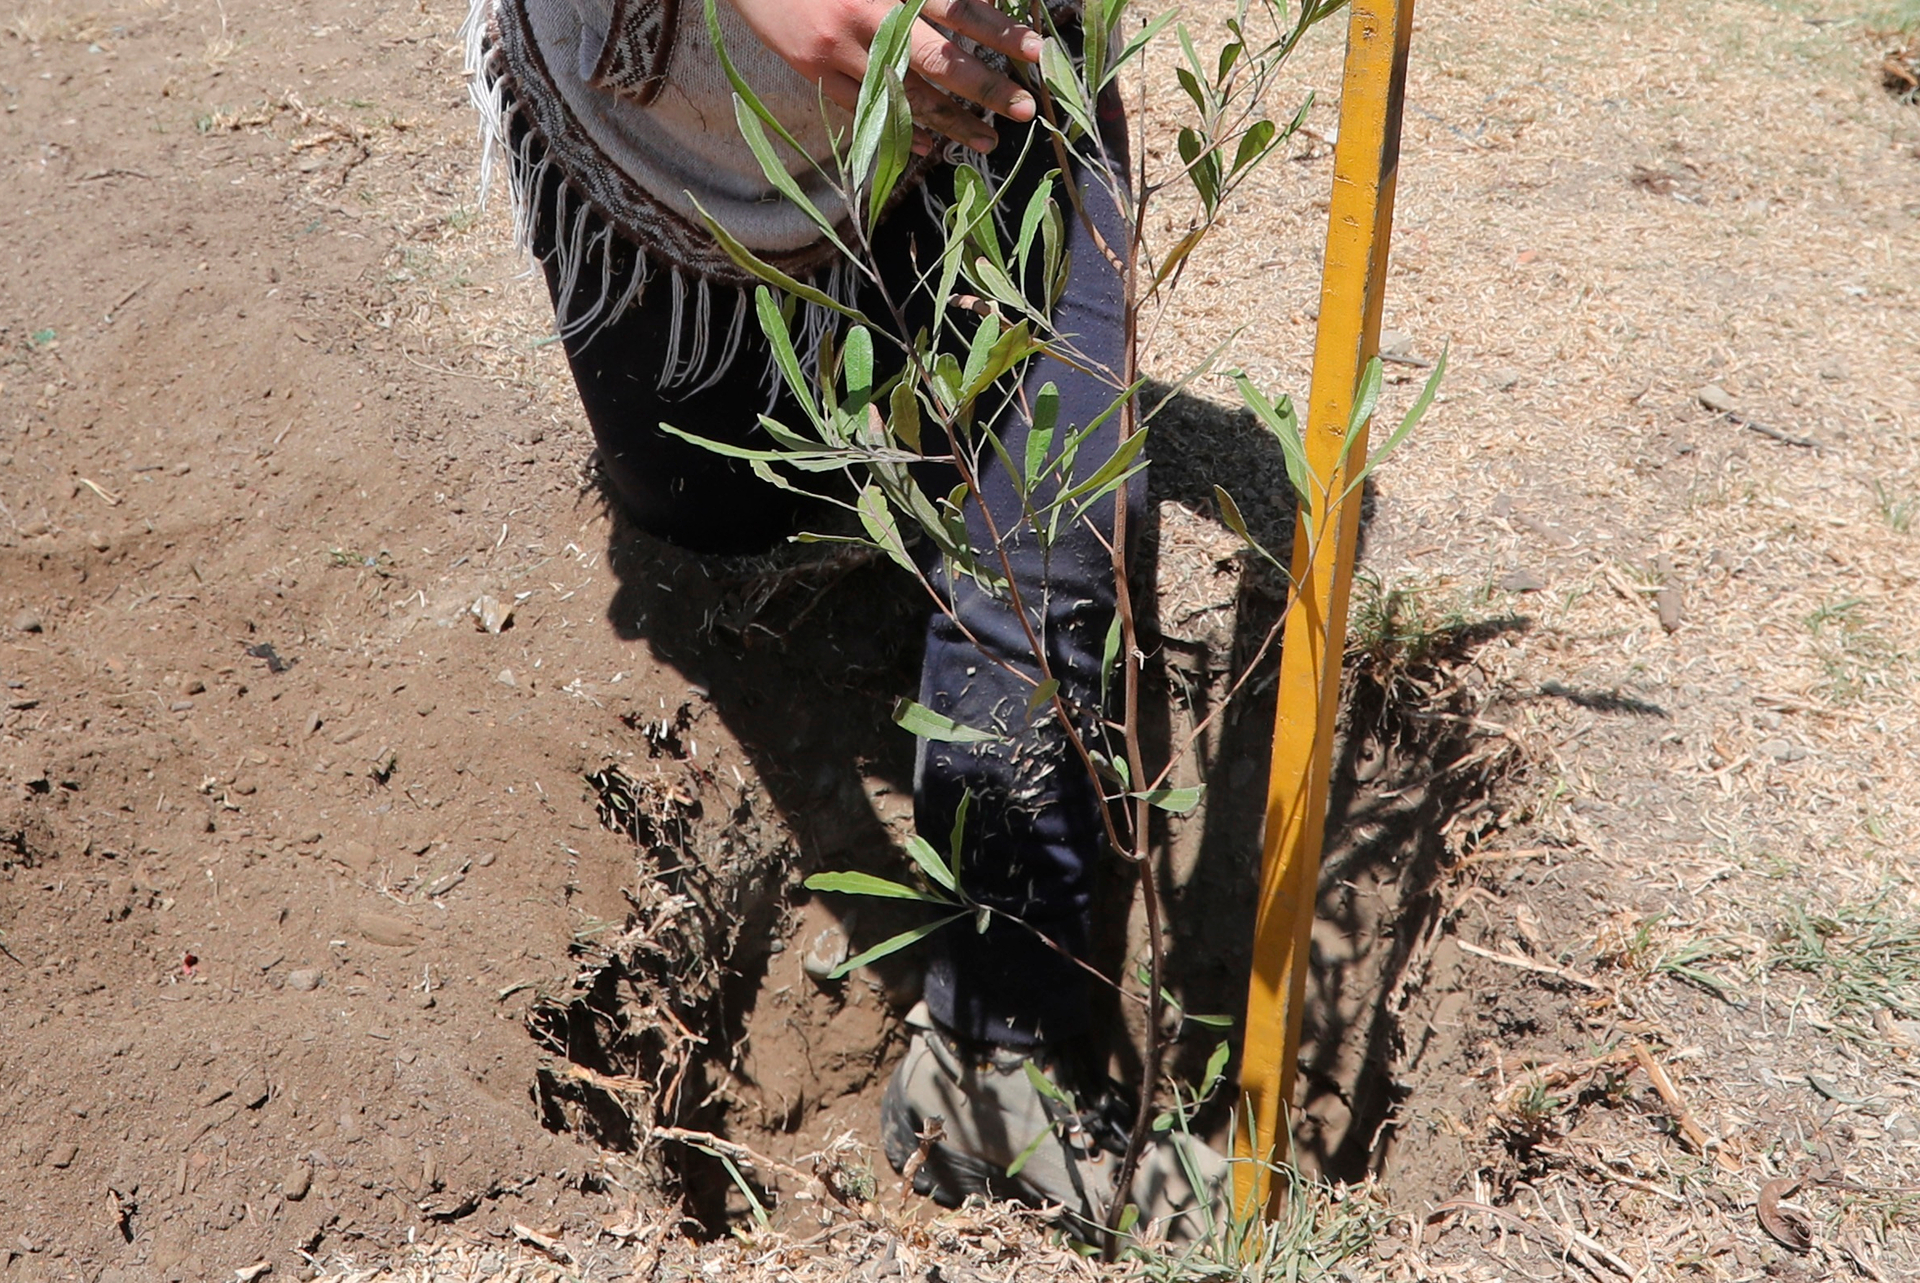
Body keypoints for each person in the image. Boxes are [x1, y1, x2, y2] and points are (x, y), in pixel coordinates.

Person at [463, 0, 1225, 1240]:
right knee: (722, 517)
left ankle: (994, 1057)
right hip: (663, 113)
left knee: (1065, 508)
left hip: (986, 81)